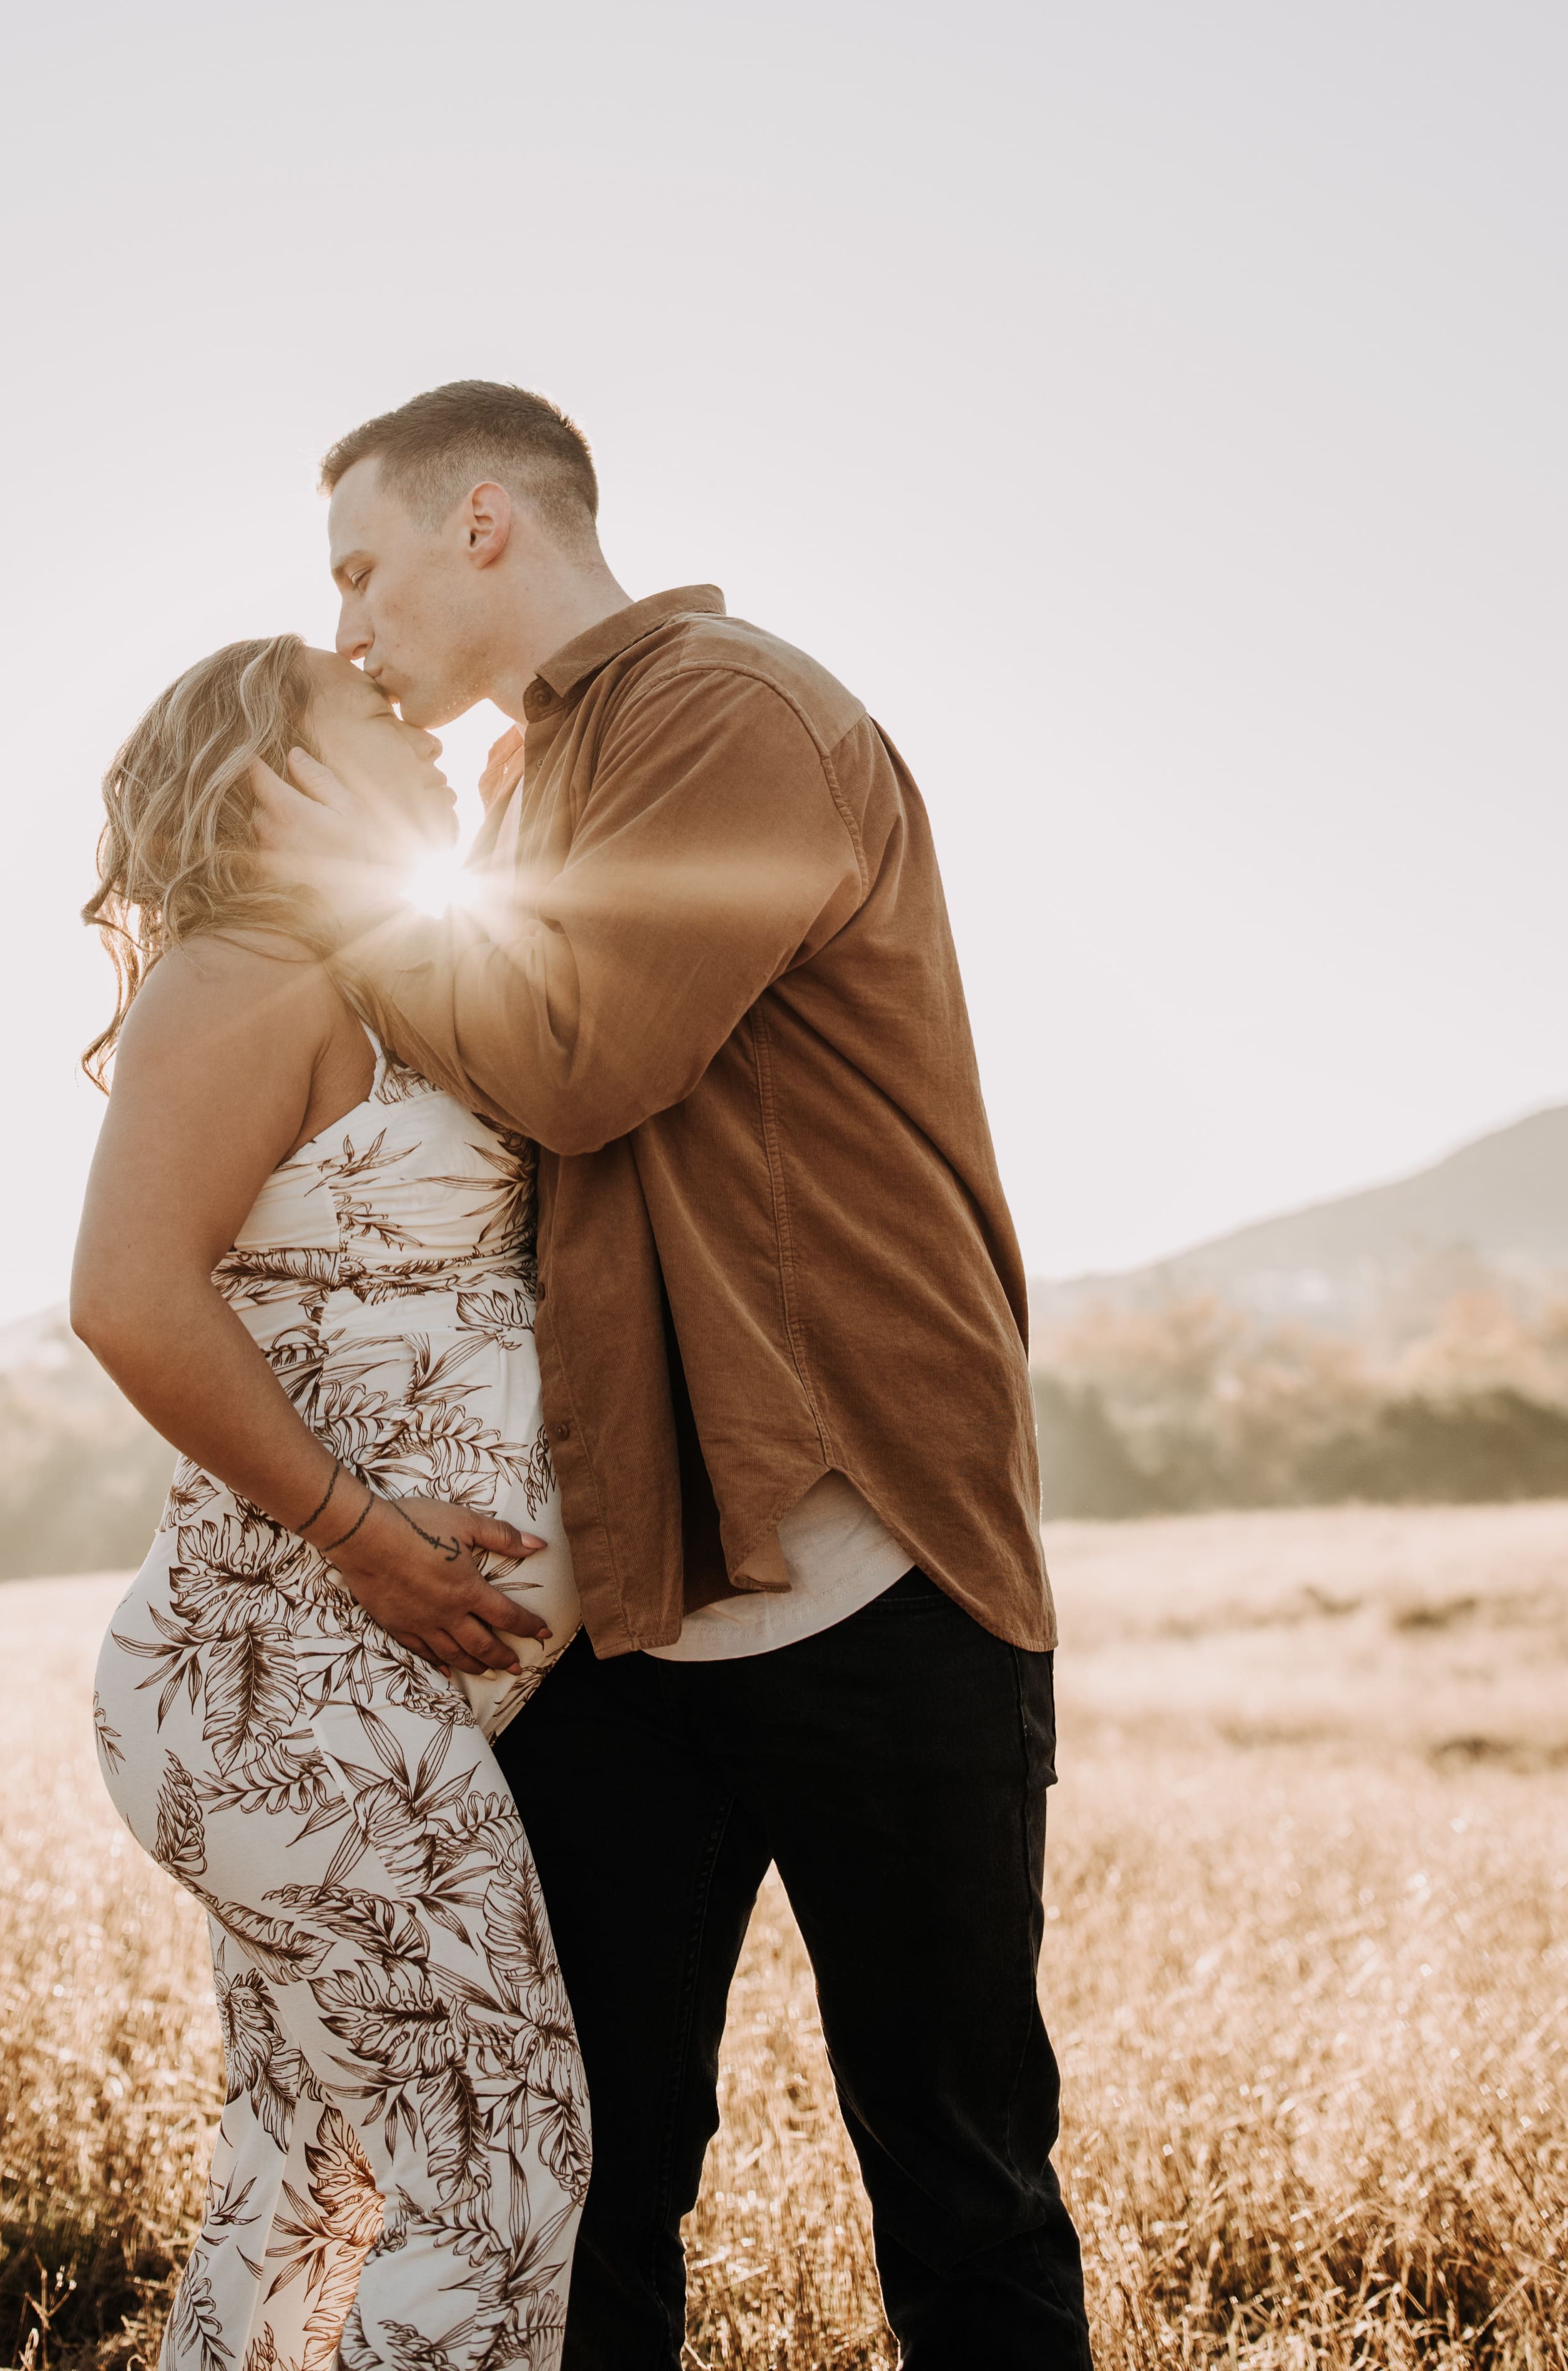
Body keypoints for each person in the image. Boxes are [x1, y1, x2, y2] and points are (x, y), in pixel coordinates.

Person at [253, 378, 1092, 2371]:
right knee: (585, 2186)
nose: (347, 623)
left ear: (485, 523)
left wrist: (359, 877)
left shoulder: (732, 711)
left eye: (360, 566)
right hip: (629, 1601)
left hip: (874, 1569)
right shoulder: (533, 789)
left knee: (957, 2176)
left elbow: (582, 1058)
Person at [71, 632, 589, 2371]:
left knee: (301, 2165)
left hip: (361, 1693)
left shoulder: (376, 970)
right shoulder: (239, 978)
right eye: (368, 706)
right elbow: (131, 1295)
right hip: (279, 1675)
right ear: (269, 762)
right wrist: (366, 1533)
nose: (422, 719)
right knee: (505, 2176)